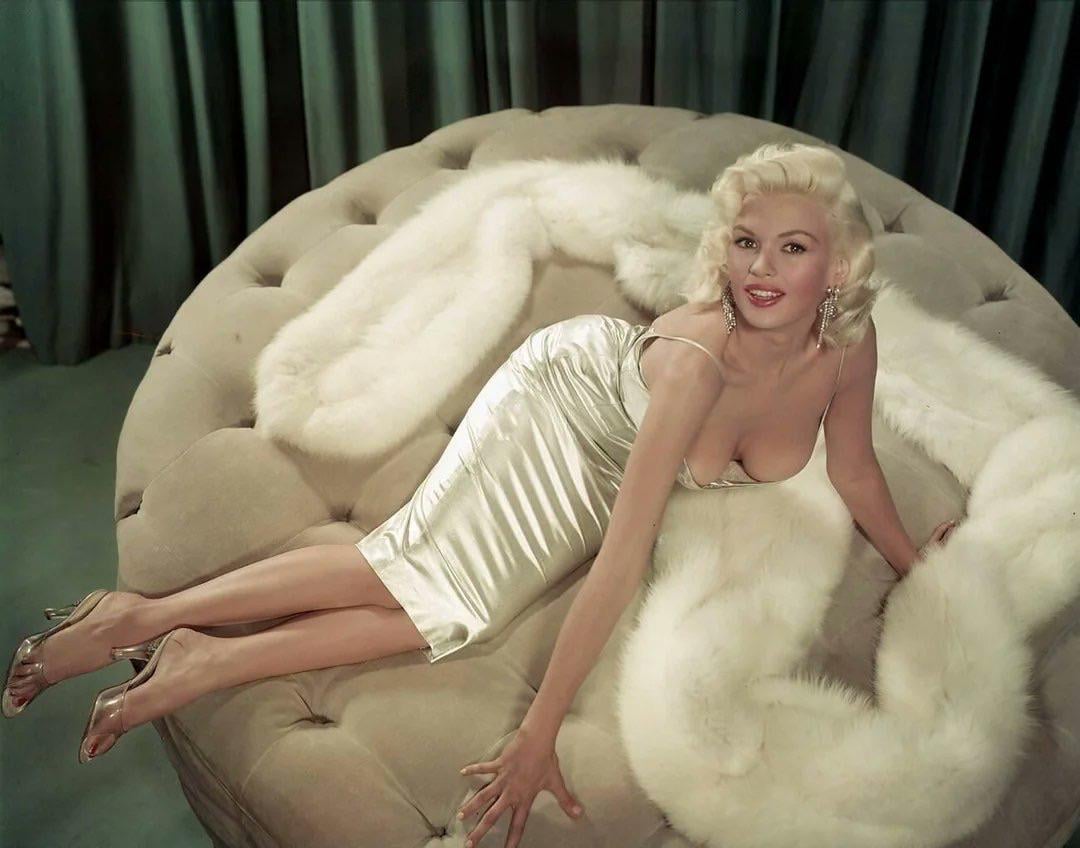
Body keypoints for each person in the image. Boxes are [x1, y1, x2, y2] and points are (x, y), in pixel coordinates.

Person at [4, 142, 958, 848]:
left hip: (618, 458)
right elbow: (621, 560)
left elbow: (854, 470)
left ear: (838, 267)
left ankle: (198, 655)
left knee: (440, 609)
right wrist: (537, 736)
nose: (759, 269)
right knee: (423, 577)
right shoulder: (696, 363)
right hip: (565, 409)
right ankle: (147, 618)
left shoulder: (846, 344)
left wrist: (918, 568)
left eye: (792, 249)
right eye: (747, 242)